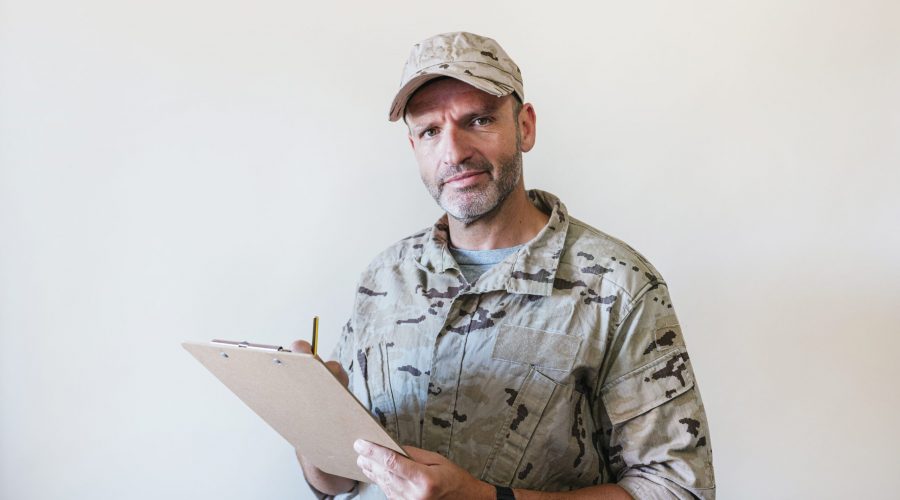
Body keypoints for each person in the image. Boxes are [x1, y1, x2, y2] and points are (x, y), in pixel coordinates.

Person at [293, 32, 715, 500]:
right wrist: (313, 421)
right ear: (414, 147)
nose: (453, 153)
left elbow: (677, 489)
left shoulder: (620, 285)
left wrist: (487, 498)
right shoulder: (383, 279)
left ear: (525, 126)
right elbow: (340, 480)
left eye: (478, 120)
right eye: (431, 131)